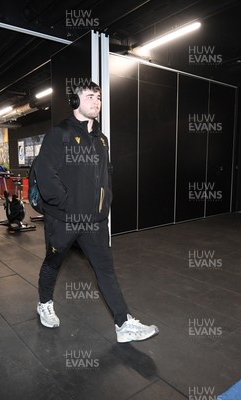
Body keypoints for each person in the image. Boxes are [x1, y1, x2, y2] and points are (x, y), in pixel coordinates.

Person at [34, 81, 158, 343]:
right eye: (90, 96)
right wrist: (67, 204)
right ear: (75, 102)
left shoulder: (102, 139)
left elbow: (106, 175)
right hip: (64, 218)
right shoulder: (60, 134)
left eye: (99, 97)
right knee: (53, 263)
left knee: (106, 269)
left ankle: (123, 324)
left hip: (95, 220)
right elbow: (45, 175)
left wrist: (105, 203)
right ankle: (44, 302)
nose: (96, 101)